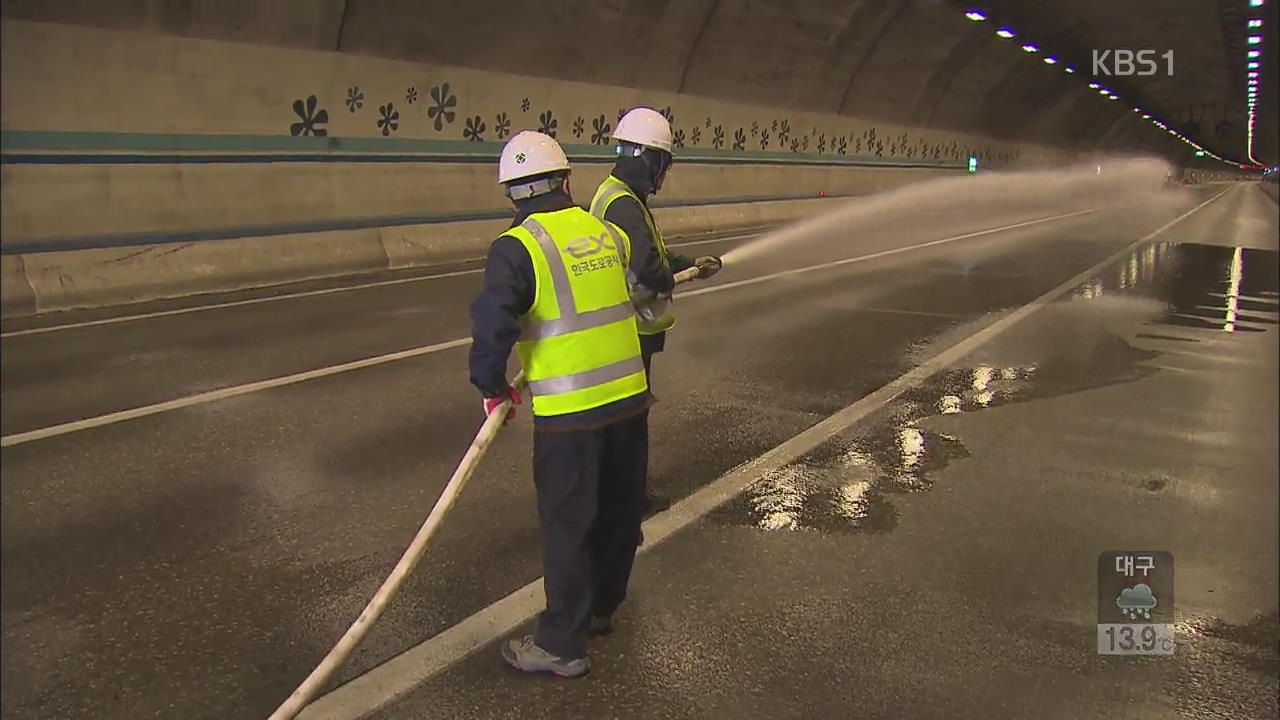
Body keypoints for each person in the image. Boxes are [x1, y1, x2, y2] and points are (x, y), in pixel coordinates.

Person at [469, 130, 663, 677]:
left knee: (569, 523)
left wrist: (490, 387)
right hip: (628, 399)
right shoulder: (605, 231)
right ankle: (600, 609)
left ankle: (562, 643)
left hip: (570, 414)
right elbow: (637, 287)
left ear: (511, 194)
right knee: (619, 511)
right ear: (567, 179)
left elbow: (492, 327)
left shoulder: (517, 248)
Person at [589, 107, 723, 515]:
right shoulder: (623, 205)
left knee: (623, 419)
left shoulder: (623, 198)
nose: (662, 173)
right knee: (629, 422)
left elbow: (653, 254)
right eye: (662, 162)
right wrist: (670, 276)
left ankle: (617, 494)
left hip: (629, 329)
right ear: (648, 159)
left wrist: (687, 264)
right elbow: (648, 269)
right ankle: (629, 500)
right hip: (631, 329)